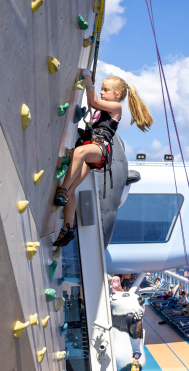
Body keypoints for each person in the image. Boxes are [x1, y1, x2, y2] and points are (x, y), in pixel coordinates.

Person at [53, 71, 153, 246]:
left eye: (105, 90)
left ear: (117, 95)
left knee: (80, 152)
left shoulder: (116, 108)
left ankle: (62, 189)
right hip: (92, 149)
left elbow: (93, 101)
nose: (102, 92)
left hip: (100, 149)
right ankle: (67, 229)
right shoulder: (104, 108)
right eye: (101, 89)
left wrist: (89, 80)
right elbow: (94, 103)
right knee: (72, 190)